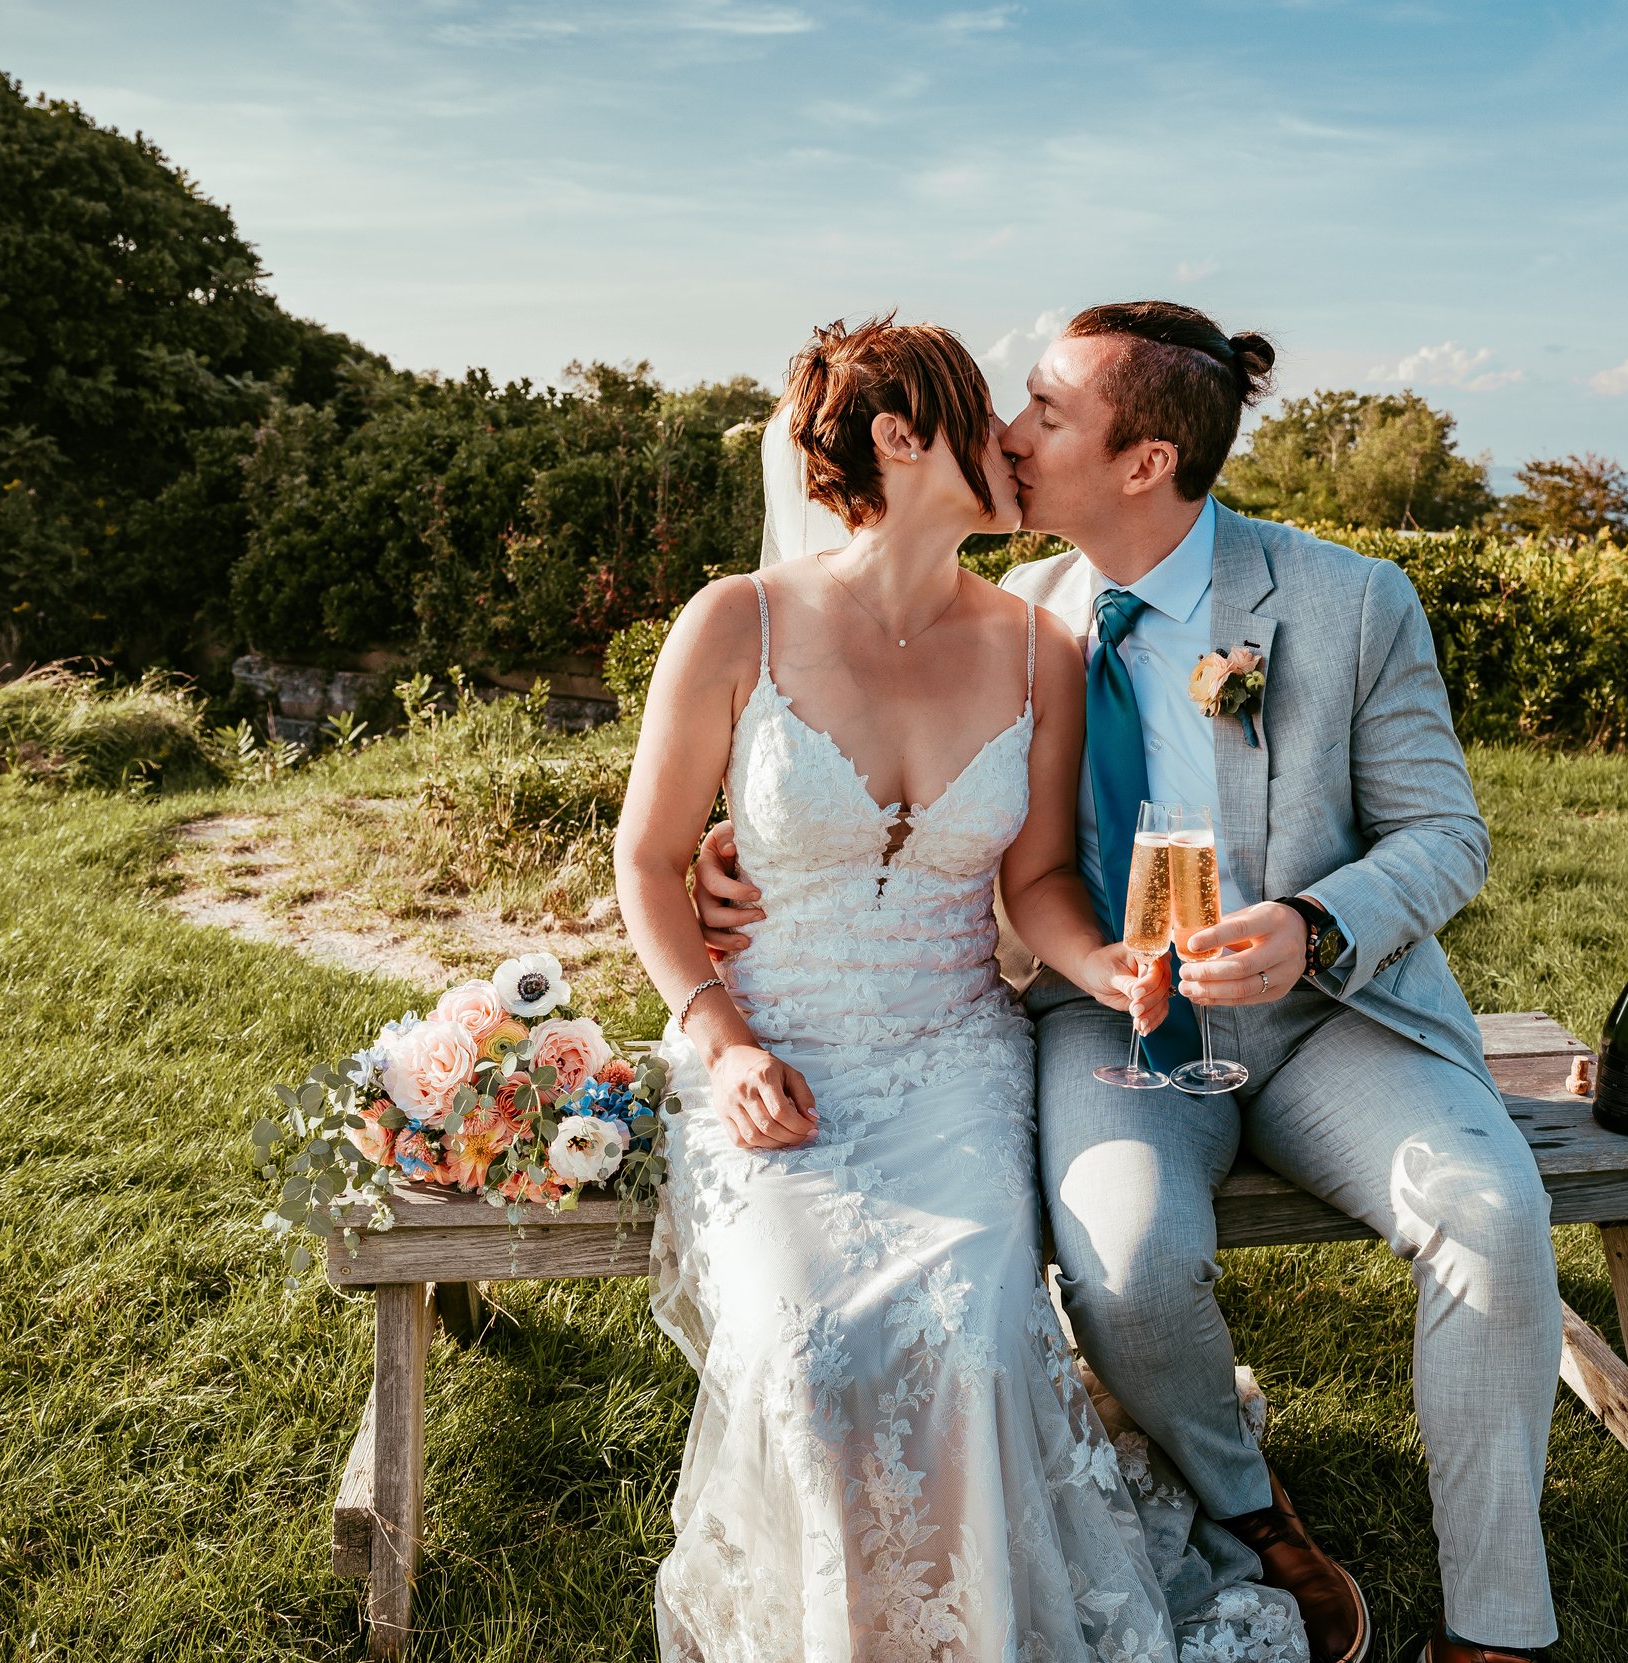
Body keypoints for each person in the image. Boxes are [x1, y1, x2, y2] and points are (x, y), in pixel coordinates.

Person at [698, 302, 1565, 1663]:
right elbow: (880, 788)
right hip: (1116, 1018)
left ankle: (1499, 1631)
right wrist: (736, 859)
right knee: (1125, 1265)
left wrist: (1318, 925)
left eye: (1044, 411)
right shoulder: (1013, 615)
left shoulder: (1346, 602)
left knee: (1491, 1209)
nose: (1009, 433)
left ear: (1145, 461)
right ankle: (1248, 1511)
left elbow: (1448, 836)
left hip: (1330, 1020)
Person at [615, 315, 1305, 1663]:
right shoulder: (732, 623)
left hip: (953, 1059)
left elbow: (1036, 878)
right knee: (815, 1363)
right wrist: (723, 1040)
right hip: (772, 1059)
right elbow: (646, 864)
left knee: (978, 1343)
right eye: (986, 415)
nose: (1009, 440)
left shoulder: (1035, 646)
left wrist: (1102, 961)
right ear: (896, 436)